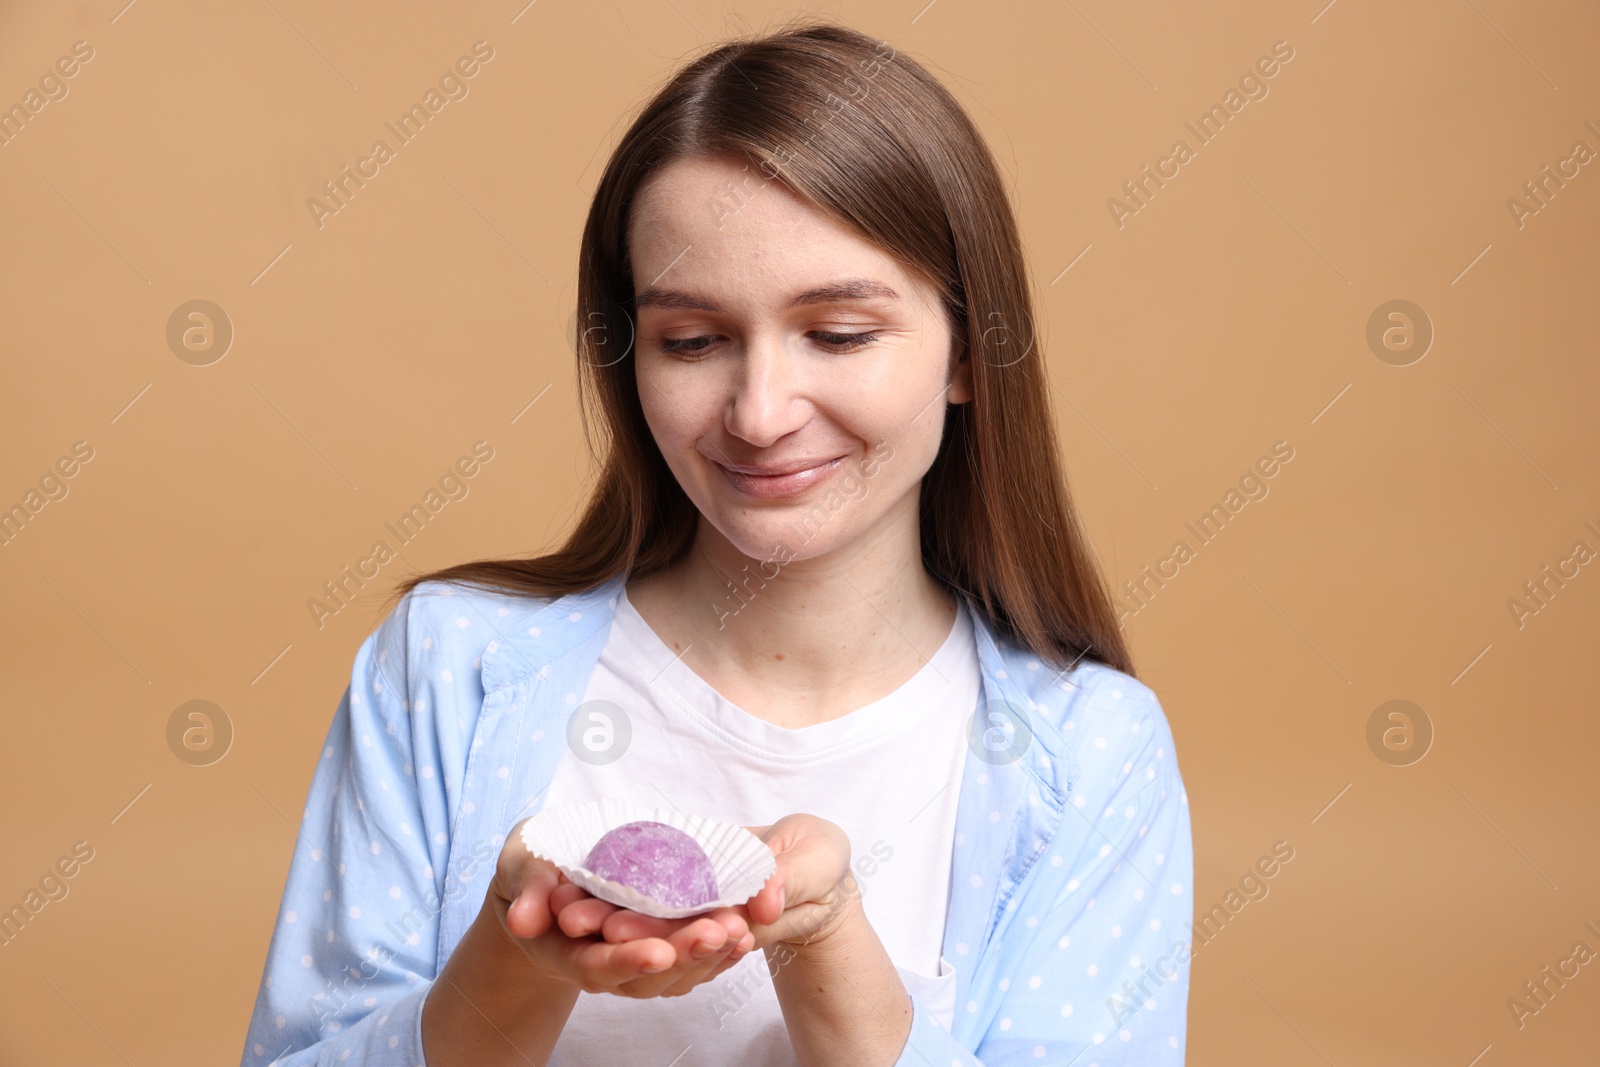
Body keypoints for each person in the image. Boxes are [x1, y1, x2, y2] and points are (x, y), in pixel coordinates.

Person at [239, 19, 1192, 1067]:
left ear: (968, 350)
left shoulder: (1090, 750)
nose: (759, 410)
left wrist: (830, 951)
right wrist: (511, 957)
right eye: (691, 341)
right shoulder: (446, 670)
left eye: (837, 333)